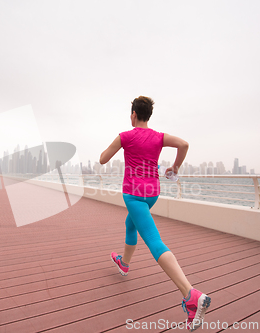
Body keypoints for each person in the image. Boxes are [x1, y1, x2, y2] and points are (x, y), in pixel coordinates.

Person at [99, 96, 211, 332]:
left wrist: (117, 147)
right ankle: (125, 263)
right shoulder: (159, 137)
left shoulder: (125, 136)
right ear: (148, 115)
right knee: (131, 224)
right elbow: (184, 144)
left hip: (133, 195)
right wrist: (175, 168)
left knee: (154, 240)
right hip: (152, 194)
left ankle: (191, 296)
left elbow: (102, 159)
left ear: (133, 114)